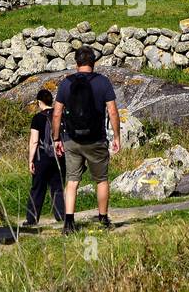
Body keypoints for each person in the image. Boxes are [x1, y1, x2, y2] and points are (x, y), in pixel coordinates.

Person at [51, 46, 121, 233]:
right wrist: (116, 136)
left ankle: (69, 222)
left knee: (72, 181)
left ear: (76, 63)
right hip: (96, 139)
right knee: (101, 180)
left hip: (72, 139)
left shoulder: (66, 83)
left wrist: (57, 138)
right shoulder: (103, 82)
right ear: (94, 63)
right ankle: (103, 219)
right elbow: (113, 111)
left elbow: (57, 114)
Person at [24, 88, 65, 227]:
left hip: (42, 157)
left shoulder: (37, 118)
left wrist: (30, 160)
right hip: (58, 157)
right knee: (58, 188)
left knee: (37, 188)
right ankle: (61, 217)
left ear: (39, 102)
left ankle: (31, 220)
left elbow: (34, 141)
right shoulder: (59, 115)